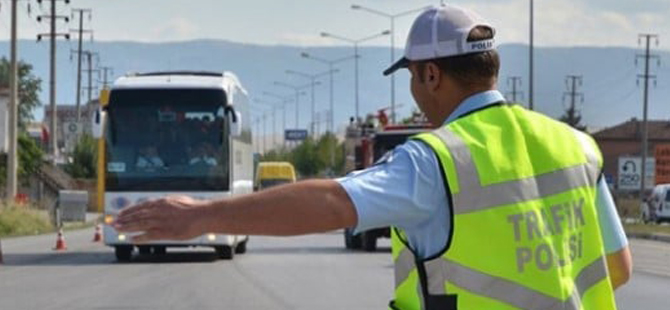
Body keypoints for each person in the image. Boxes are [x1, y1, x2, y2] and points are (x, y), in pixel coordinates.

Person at [114, 4, 631, 309]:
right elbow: (618, 268)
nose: (414, 92)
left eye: (411, 77)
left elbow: (334, 204)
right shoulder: (574, 146)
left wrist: (201, 216)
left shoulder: (436, 159)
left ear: (431, 74)